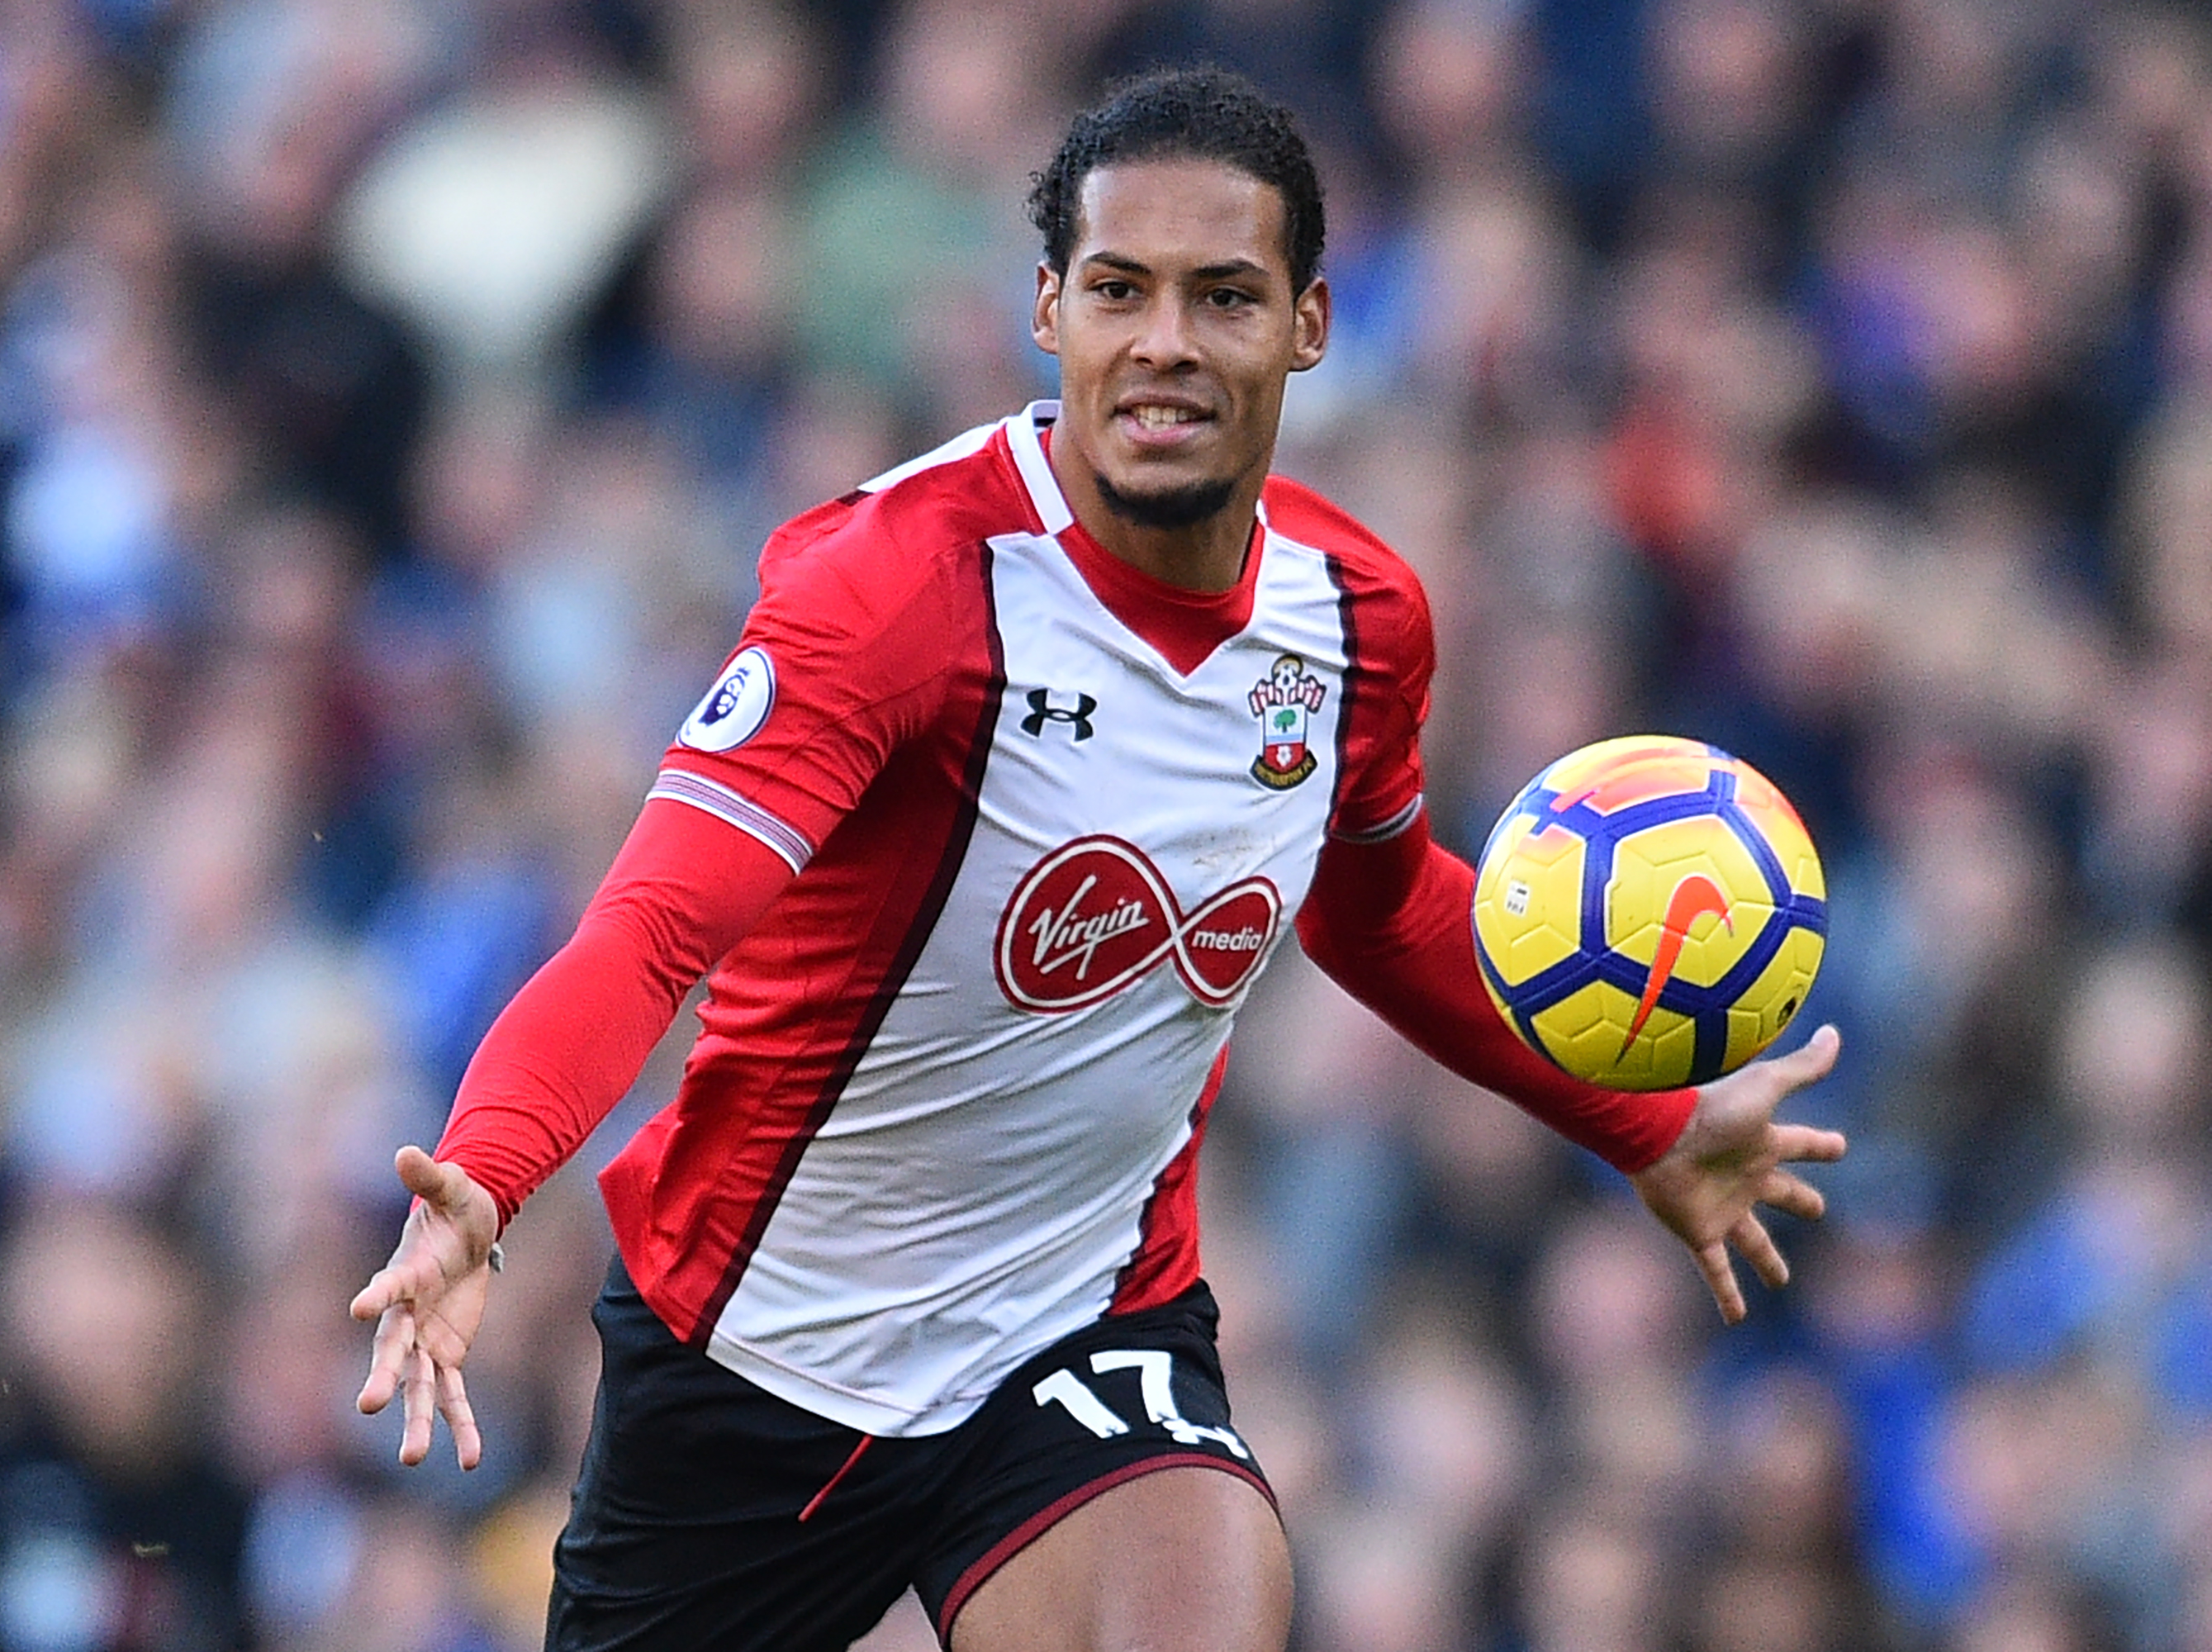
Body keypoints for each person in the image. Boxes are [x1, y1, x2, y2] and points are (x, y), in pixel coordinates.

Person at [352, 67, 1846, 1652]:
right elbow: (652, 934)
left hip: (1082, 1327)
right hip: (757, 1358)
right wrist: (489, 1182)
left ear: (1310, 324)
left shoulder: (1356, 620)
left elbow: (1382, 904)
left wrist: (1642, 1123)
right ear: (1050, 310)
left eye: (1226, 297)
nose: (1169, 345)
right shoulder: (897, 591)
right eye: (1122, 291)